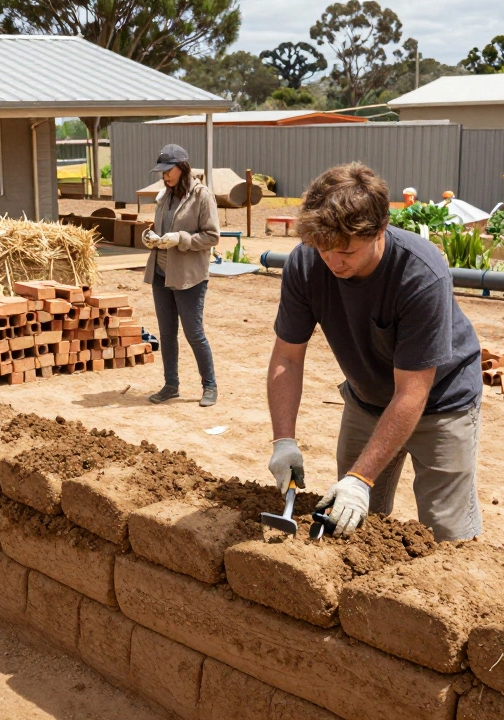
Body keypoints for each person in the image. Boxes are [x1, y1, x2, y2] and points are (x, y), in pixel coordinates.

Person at [266, 163, 483, 542]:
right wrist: (283, 440)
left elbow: (413, 391)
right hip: (367, 400)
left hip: (440, 403)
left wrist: (361, 478)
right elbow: (287, 357)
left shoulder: (419, 273)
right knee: (348, 522)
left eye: (346, 250)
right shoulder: (306, 262)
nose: (333, 261)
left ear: (380, 229)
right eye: (323, 248)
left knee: (446, 532)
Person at [142, 144, 220, 407]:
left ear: (182, 167)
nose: (165, 176)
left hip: (189, 277)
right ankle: (171, 385)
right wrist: (151, 237)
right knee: (166, 333)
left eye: (168, 171)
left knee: (193, 332)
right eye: (162, 172)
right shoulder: (165, 195)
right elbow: (161, 228)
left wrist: (180, 239)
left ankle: (209, 386)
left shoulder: (202, 196)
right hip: (162, 273)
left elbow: (211, 236)